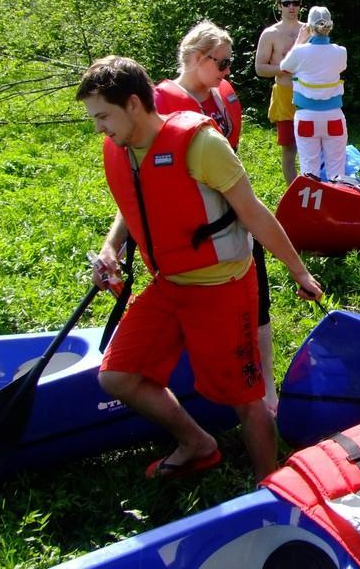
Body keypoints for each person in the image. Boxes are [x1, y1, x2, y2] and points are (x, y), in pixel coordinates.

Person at [77, 56, 322, 484]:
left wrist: (298, 271)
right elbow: (133, 201)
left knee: (247, 398)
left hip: (222, 287)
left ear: (133, 104)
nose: (99, 127)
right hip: (168, 284)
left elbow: (254, 213)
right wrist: (111, 247)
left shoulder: (201, 145)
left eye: (103, 116)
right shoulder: (122, 146)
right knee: (118, 376)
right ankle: (197, 443)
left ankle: (273, 484)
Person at [154, 20, 278, 416]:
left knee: (257, 305)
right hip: (189, 227)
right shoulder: (162, 104)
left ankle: (267, 392)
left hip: (232, 216)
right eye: (221, 64)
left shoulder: (221, 97)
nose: (227, 72)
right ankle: (201, 391)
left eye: (230, 63)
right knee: (196, 310)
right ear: (195, 58)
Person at [278, 6, 348, 180]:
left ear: (308, 26)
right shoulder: (341, 52)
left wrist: (300, 41)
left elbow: (284, 67)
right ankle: (337, 205)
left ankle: (311, 206)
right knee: (337, 172)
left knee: (309, 171)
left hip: (306, 117)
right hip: (334, 116)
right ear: (330, 25)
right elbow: (341, 67)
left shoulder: (300, 51)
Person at [255, 0, 304, 185]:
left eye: (295, 3)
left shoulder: (309, 30)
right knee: (289, 148)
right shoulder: (270, 34)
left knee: (313, 146)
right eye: (286, 3)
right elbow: (260, 68)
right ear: (279, 6)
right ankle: (293, 192)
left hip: (309, 95)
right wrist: (283, 68)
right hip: (284, 95)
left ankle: (317, 191)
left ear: (301, 5)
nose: (291, 7)